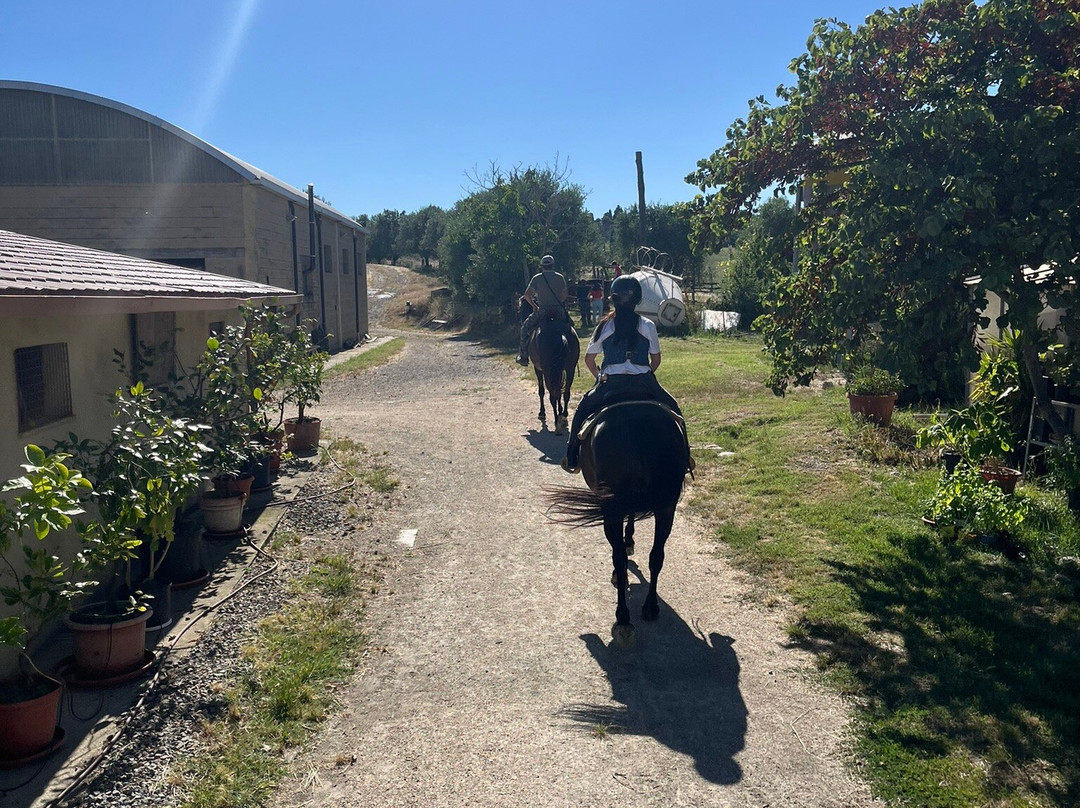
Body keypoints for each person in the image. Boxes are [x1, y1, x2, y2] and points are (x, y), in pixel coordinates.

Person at [562, 275, 692, 474]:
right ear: (638, 299)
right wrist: (645, 374)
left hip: (611, 383)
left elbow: (589, 360)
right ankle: (685, 457)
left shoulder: (604, 325)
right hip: (644, 382)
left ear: (612, 298)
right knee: (675, 410)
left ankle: (572, 455)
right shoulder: (648, 325)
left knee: (582, 410)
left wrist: (600, 376)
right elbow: (656, 360)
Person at [516, 254, 572, 366]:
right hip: (558, 311)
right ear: (553, 265)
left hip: (543, 311)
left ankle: (524, 356)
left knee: (525, 328)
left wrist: (534, 306)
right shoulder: (559, 277)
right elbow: (565, 295)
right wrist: (558, 303)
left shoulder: (537, 278)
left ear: (542, 266)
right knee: (570, 327)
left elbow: (527, 295)